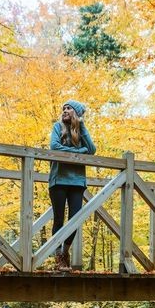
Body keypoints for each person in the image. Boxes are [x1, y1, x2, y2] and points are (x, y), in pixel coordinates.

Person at [48, 99, 96, 269]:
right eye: (64, 108)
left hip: (77, 181)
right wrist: (78, 151)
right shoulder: (57, 127)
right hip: (58, 180)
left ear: (75, 112)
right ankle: (58, 256)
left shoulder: (80, 130)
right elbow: (54, 146)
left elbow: (91, 149)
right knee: (59, 219)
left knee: (75, 220)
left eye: (68, 108)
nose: (65, 110)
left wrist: (81, 127)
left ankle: (65, 251)